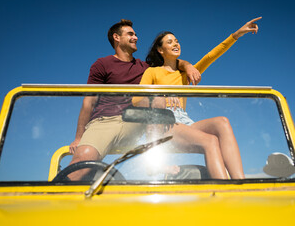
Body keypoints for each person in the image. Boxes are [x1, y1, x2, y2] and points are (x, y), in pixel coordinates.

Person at [68, 19, 201, 181]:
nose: (136, 37)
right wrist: (78, 137)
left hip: (137, 123)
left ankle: (155, 162)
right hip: (106, 121)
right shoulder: (102, 64)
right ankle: (55, 199)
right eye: (130, 34)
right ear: (116, 37)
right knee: (83, 161)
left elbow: (171, 62)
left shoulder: (145, 68)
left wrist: (188, 66)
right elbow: (89, 102)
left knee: (157, 100)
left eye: (135, 34)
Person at [134, 17, 262, 179]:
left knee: (222, 122)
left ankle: (240, 183)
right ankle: (226, 190)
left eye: (177, 41)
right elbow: (136, 100)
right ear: (160, 50)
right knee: (210, 141)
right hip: (164, 123)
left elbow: (211, 56)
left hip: (185, 121)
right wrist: (161, 97)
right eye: (170, 42)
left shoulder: (187, 72)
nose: (175, 44)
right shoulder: (152, 72)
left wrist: (236, 35)